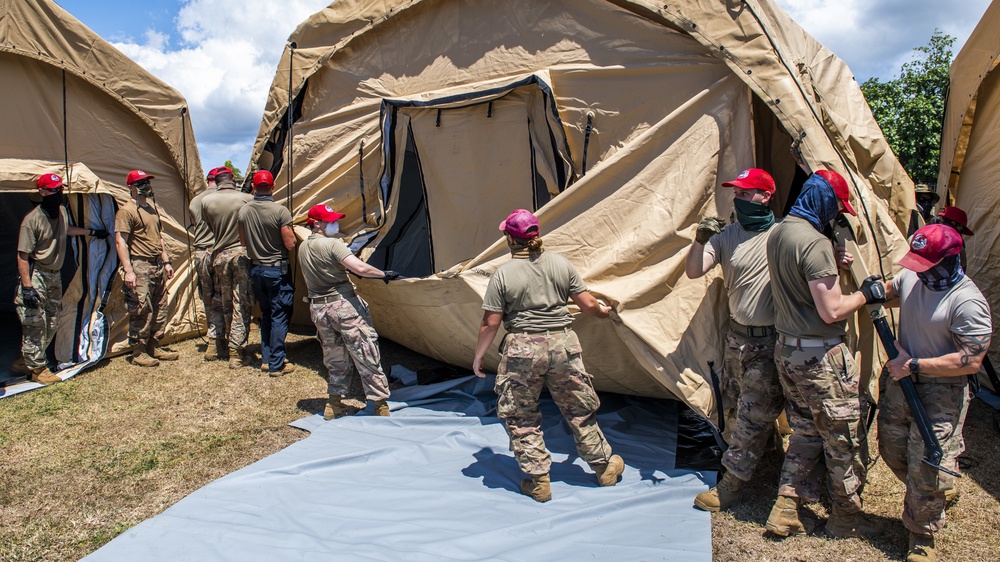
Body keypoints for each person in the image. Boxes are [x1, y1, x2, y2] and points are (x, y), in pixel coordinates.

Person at [764, 170, 886, 538]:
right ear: (825, 202)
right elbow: (831, 311)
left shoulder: (781, 231)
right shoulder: (815, 242)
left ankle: (786, 507)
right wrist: (867, 294)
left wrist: (830, 262)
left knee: (803, 431)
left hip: (787, 350)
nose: (836, 216)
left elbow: (800, 278)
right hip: (820, 357)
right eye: (836, 208)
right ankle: (846, 517)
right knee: (842, 437)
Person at [472, 209, 624, 503]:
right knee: (579, 409)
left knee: (522, 415)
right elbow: (589, 304)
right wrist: (603, 313)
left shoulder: (502, 275)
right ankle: (604, 467)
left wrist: (479, 357)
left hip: (522, 350)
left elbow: (490, 323)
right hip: (563, 346)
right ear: (537, 234)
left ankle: (538, 480)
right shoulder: (560, 264)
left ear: (508, 238)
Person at [878, 224, 991, 562]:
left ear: (947, 261)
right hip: (902, 383)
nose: (916, 269)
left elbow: (970, 360)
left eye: (924, 263)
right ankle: (933, 491)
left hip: (941, 391)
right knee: (892, 449)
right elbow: (892, 289)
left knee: (927, 463)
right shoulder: (915, 275)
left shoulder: (967, 302)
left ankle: (922, 534)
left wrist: (914, 365)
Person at [685, 168, 784, 512]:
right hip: (737, 340)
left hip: (770, 341)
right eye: (737, 194)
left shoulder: (783, 234)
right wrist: (699, 240)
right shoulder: (729, 236)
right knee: (737, 403)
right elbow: (695, 271)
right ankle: (769, 452)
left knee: (751, 414)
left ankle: (731, 484)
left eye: (745, 193)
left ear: (765, 196)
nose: (738, 199)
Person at [298, 204, 399, 418]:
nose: (336, 224)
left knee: (335, 357)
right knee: (365, 352)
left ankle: (333, 404)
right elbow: (360, 268)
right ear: (317, 224)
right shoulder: (333, 244)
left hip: (319, 308)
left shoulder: (303, 247)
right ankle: (380, 405)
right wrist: (383, 274)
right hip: (343, 307)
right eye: (330, 221)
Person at [11, 174, 109, 383]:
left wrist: (91, 231)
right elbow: (22, 256)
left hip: (53, 276)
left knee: (53, 322)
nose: (59, 194)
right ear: (43, 192)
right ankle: (37, 370)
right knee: (35, 323)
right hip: (37, 275)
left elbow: (67, 230)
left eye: (60, 190)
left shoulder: (61, 212)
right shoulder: (32, 220)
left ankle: (24, 360)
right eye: (54, 190)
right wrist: (27, 286)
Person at [114, 170, 178, 367]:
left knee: (160, 306)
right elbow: (120, 242)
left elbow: (158, 239)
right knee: (142, 308)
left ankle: (154, 344)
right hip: (139, 264)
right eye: (141, 182)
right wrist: (128, 270)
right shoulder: (127, 211)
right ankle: (139, 350)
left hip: (156, 264)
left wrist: (166, 261)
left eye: (147, 182)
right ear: (131, 187)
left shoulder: (151, 209)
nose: (146, 186)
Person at [238, 170, 297, 376]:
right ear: (273, 187)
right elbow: (290, 244)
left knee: (266, 315)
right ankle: (276, 363)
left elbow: (243, 242)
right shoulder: (280, 211)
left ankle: (266, 357)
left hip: (256, 269)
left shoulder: (244, 211)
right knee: (279, 314)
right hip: (276, 270)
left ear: (253, 187)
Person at [200, 166, 253, 368]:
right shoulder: (246, 199)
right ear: (232, 179)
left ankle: (219, 343)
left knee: (223, 301)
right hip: (240, 254)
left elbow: (211, 226)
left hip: (220, 255)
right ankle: (236, 351)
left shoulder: (207, 201)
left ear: (217, 180)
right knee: (241, 302)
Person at [189, 167, 224, 360]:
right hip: (218, 251)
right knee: (224, 297)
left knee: (208, 298)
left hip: (201, 253)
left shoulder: (196, 200)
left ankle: (213, 340)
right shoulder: (222, 199)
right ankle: (221, 341)